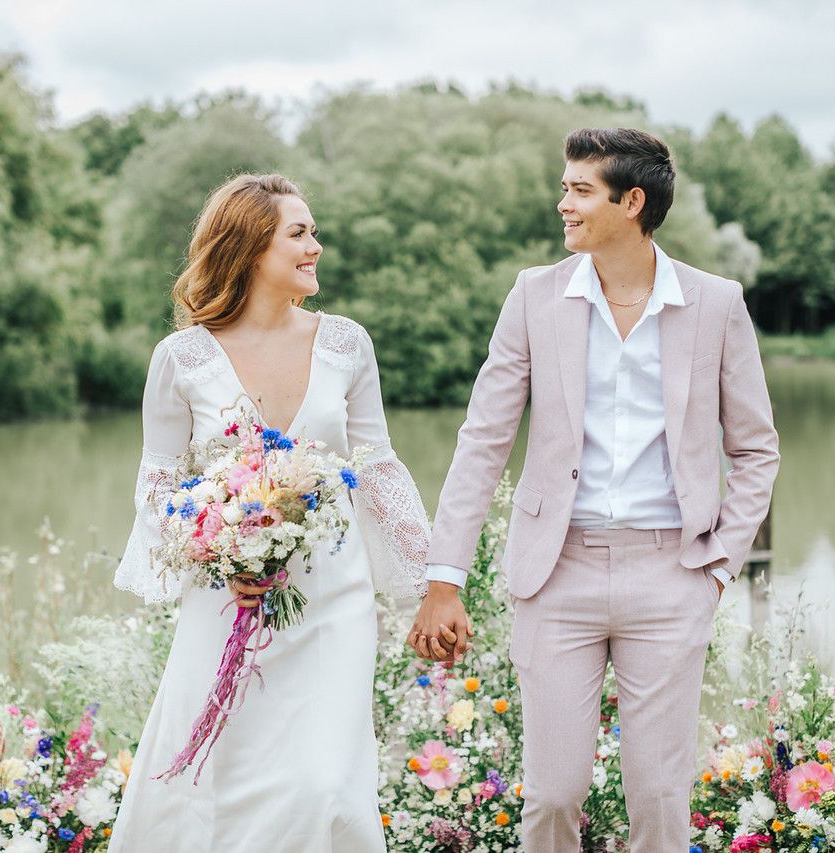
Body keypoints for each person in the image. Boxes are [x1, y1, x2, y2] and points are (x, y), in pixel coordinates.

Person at [411, 128, 780, 851]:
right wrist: (443, 578)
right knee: (552, 794)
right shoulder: (534, 295)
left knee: (661, 797)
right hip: (556, 572)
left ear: (631, 202)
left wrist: (716, 567)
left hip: (672, 573)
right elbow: (483, 441)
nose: (564, 204)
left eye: (580, 190)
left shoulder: (716, 303)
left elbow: (756, 448)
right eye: (565, 188)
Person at [109, 174, 430, 852]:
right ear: (251, 246)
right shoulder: (181, 359)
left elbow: (376, 466)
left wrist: (431, 582)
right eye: (299, 233)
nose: (317, 246)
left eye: (314, 231)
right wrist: (218, 554)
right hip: (225, 600)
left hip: (333, 599)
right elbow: (160, 487)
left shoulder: (346, 344)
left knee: (326, 785)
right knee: (222, 781)